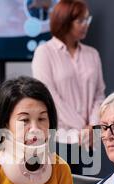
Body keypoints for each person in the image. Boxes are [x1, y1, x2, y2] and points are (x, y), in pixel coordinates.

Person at [32, 0, 106, 175]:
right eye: (80, 21)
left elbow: (99, 94)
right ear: (64, 21)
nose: (85, 25)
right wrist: (83, 127)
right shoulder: (45, 53)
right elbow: (50, 97)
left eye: (87, 20)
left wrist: (93, 126)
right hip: (61, 139)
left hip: (88, 140)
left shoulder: (92, 54)